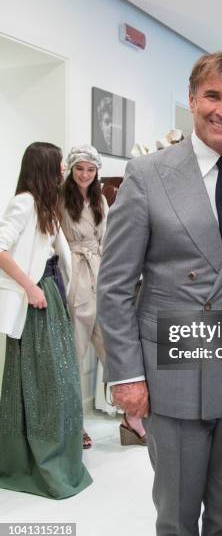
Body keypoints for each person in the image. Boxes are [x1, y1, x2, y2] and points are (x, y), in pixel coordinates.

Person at [97, 51, 222, 536]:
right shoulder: (147, 174)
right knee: (176, 517)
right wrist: (127, 376)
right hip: (172, 375)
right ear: (192, 99)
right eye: (213, 95)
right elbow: (114, 286)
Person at [0, 142, 92, 499]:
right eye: (58, 166)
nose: (63, 172)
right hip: (35, 296)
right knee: (43, 377)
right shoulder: (24, 201)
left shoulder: (45, 204)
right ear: (45, 168)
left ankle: (57, 452)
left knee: (59, 376)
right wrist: (29, 287)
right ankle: (34, 458)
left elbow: (58, 250)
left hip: (50, 293)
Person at [61, 144, 146, 448]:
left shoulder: (100, 200)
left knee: (115, 349)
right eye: (80, 168)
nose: (85, 174)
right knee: (73, 354)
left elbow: (110, 239)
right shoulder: (60, 199)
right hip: (73, 277)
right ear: (70, 170)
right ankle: (73, 425)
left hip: (100, 273)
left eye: (90, 169)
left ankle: (132, 418)